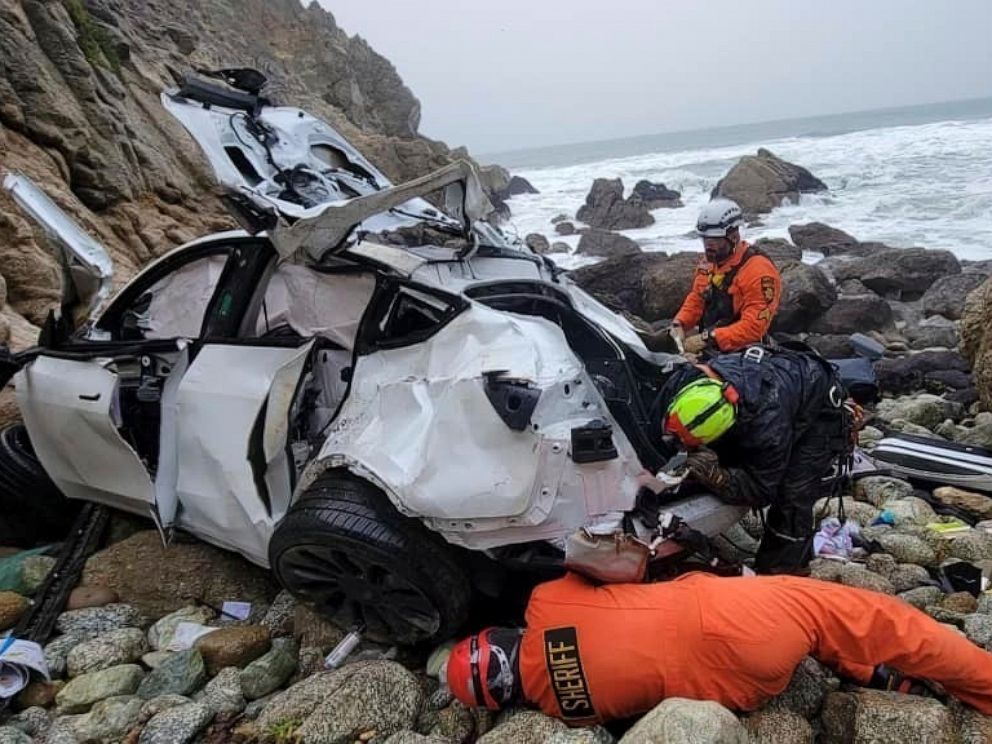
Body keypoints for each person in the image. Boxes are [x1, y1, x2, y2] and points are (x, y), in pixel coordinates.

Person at [444, 571, 992, 725]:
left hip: (748, 690)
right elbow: (618, 568)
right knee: (879, 620)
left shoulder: (566, 710)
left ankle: (875, 677)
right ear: (498, 638)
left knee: (805, 638)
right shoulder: (546, 604)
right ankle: (984, 685)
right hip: (736, 618)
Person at [655, 345, 848, 574]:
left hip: (818, 408)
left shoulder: (768, 430)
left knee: (793, 496)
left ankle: (781, 572)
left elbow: (762, 489)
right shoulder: (686, 380)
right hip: (778, 379)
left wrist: (718, 477)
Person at [671, 198, 782, 356]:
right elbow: (697, 298)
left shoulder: (758, 271)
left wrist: (707, 339)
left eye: (714, 240)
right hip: (713, 344)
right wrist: (679, 324)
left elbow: (754, 328)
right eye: (705, 239)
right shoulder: (709, 263)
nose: (708, 245)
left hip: (746, 351)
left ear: (733, 237)